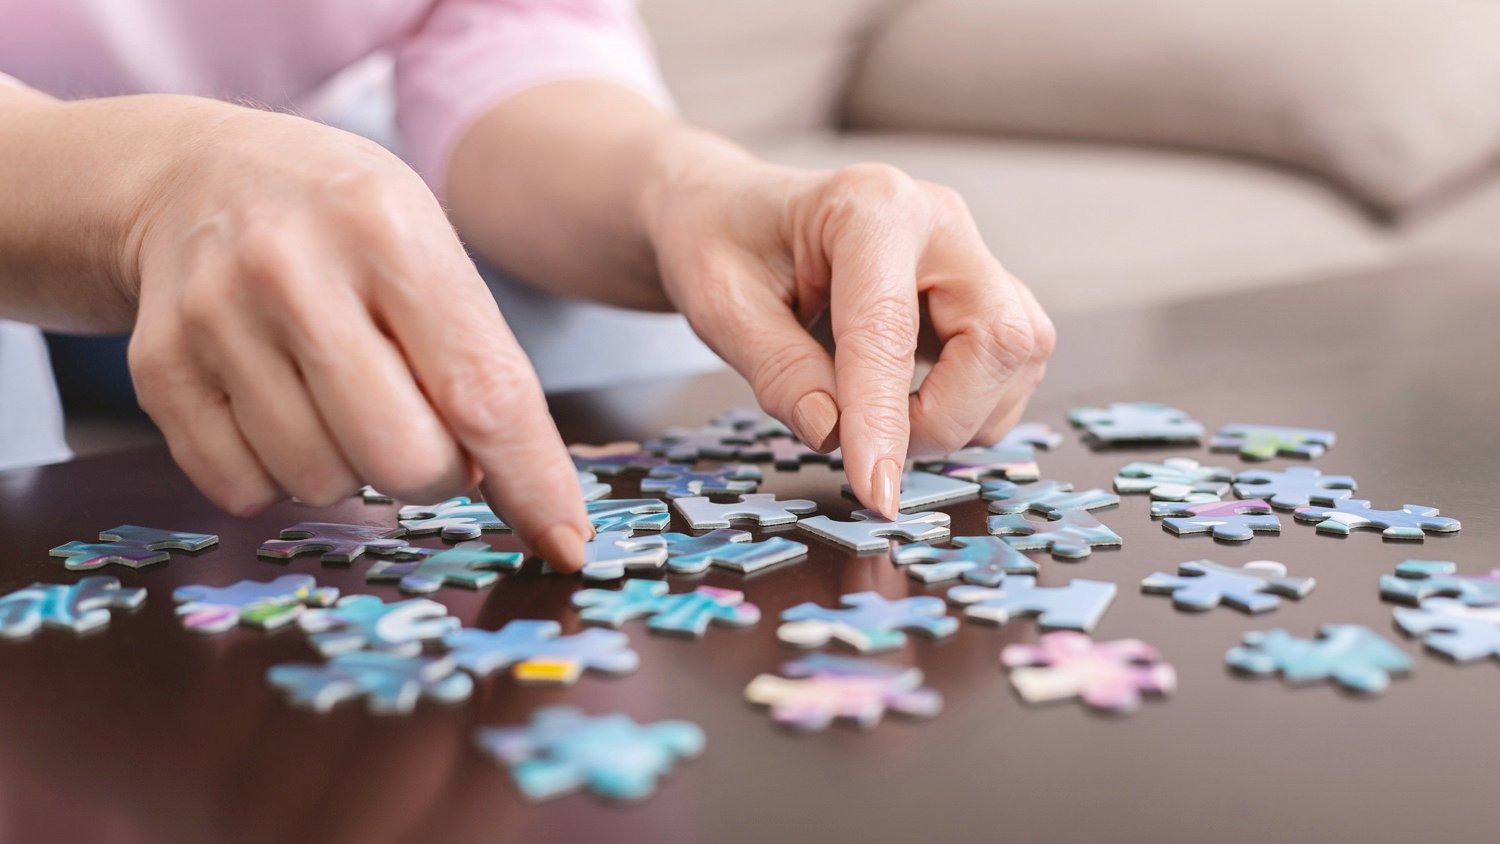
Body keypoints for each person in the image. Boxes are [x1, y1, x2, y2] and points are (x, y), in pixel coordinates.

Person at [0, 0, 1054, 572]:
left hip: (297, 136)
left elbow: (497, 30)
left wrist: (692, 186)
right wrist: (156, 180)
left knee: (621, 333)